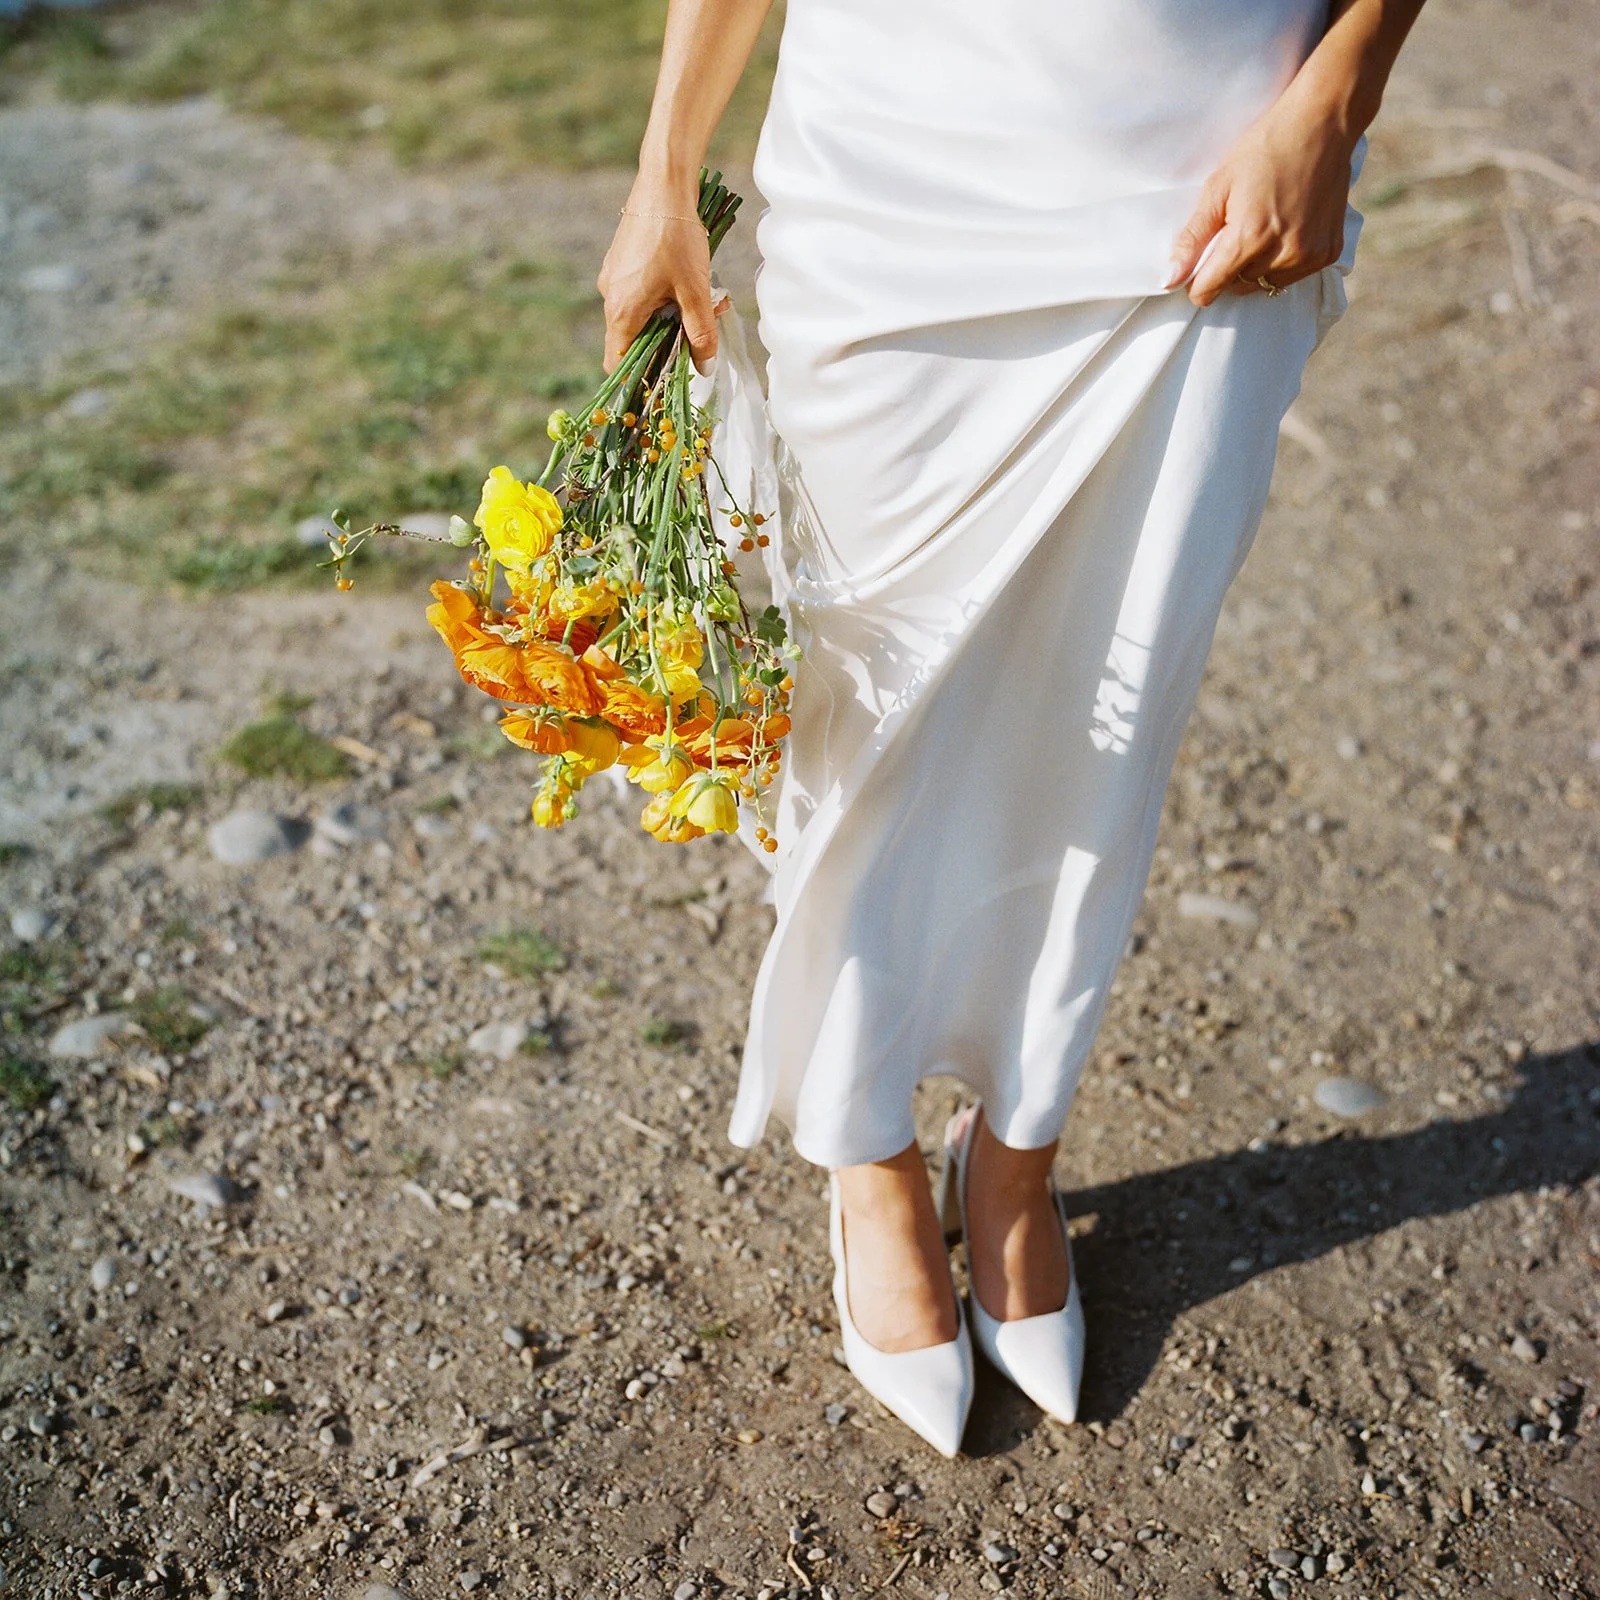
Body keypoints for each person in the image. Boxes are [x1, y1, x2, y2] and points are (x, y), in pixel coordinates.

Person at [597, 0, 1428, 1457]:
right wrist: (666, 167)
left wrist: (1337, 97)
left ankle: (1019, 1154)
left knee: (1110, 723)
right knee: (865, 720)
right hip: (893, 185)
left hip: (1208, 177)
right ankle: (865, 1157)